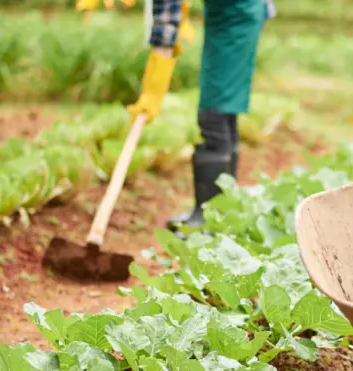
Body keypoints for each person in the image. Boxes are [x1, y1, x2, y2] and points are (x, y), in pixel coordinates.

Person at [79, 0, 275, 229]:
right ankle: (221, 211)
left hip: (237, 16)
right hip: (229, 12)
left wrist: (153, 89)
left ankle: (209, 218)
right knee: (223, 111)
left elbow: (166, 23)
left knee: (214, 113)